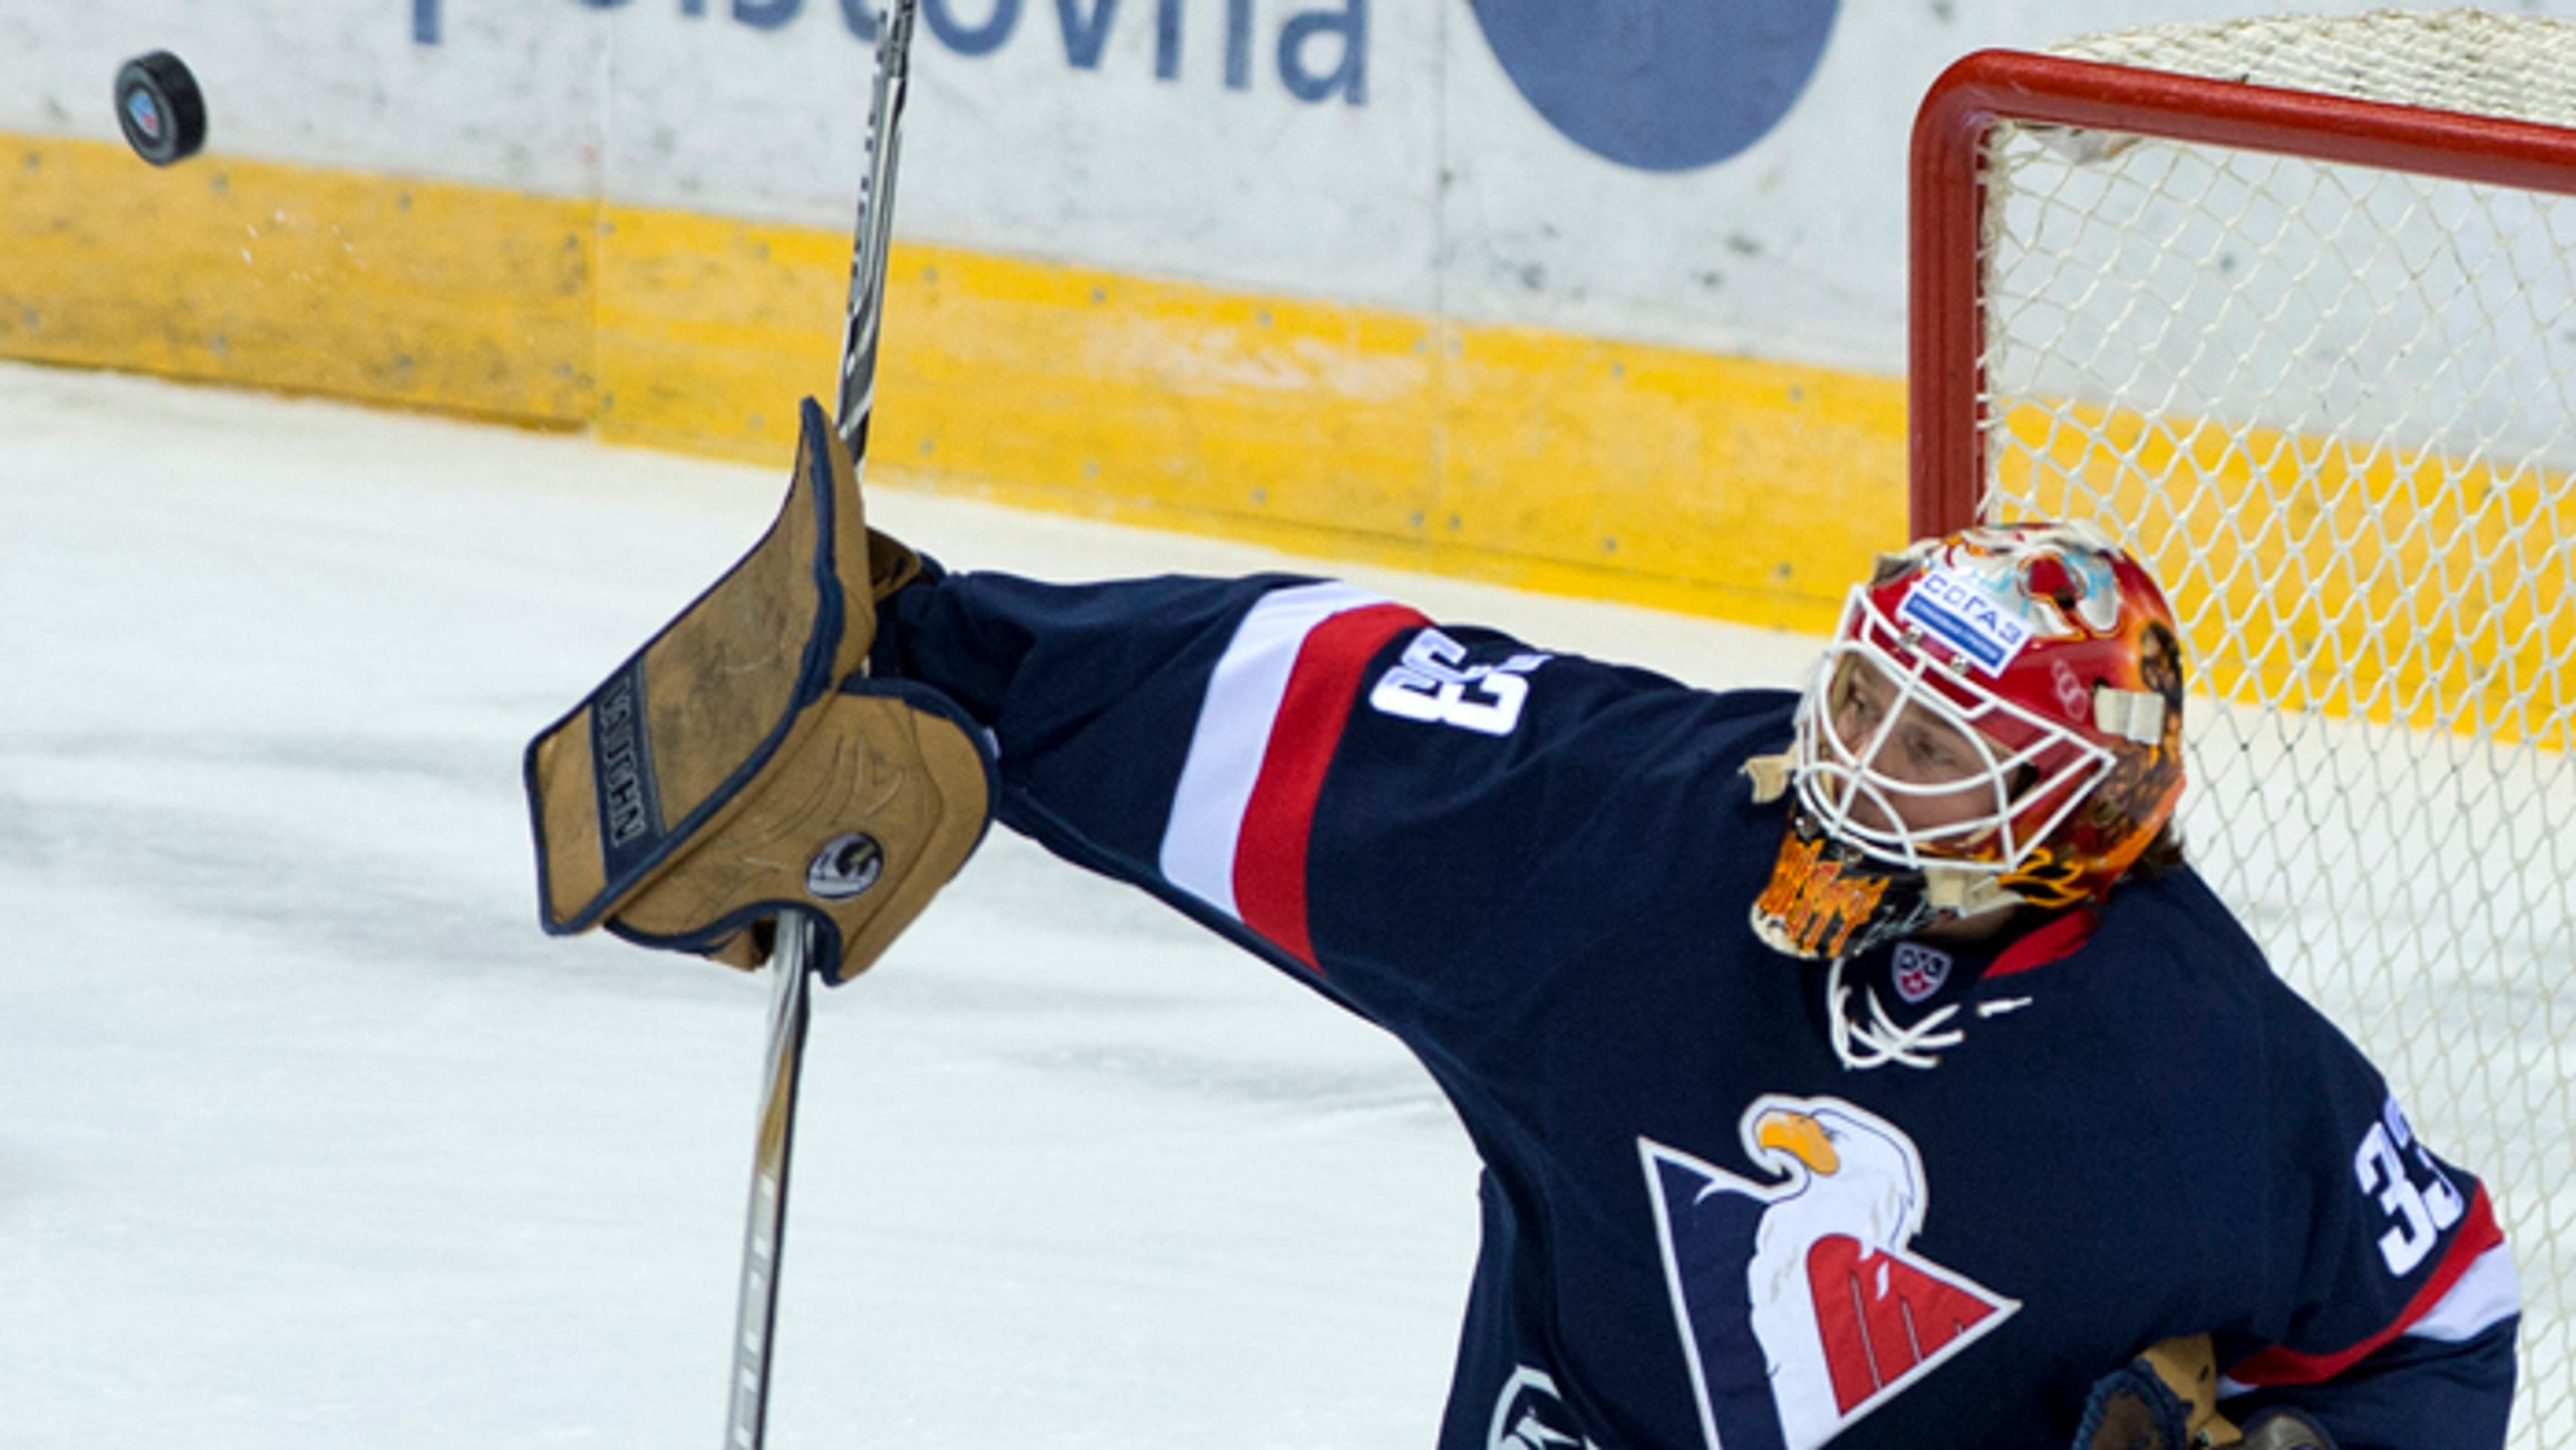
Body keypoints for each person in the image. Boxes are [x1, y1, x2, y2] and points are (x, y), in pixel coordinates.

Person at [538, 401, 2513, 1449]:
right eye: (1868, 694)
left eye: (1942, 742)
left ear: (2074, 815)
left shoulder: (2203, 1070)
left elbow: (2433, 1319)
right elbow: (1318, 702)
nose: (1859, 756)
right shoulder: (1640, 844)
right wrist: (952, 659)